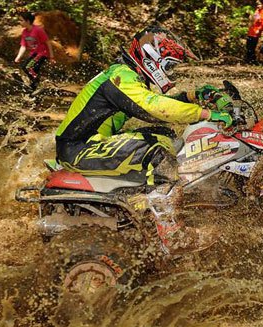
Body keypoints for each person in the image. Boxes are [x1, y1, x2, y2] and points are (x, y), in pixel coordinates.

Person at [54, 25, 234, 253]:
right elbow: (153, 107)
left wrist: (195, 96)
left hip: (88, 144)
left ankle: (149, 205)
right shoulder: (121, 78)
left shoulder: (124, 76)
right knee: (156, 151)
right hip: (79, 149)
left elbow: (150, 102)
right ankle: (172, 234)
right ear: (152, 57)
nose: (171, 73)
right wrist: (207, 114)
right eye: (169, 66)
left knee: (166, 136)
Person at [14, 12, 54, 93]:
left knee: (27, 67)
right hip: (33, 54)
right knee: (31, 69)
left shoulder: (38, 30)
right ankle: (33, 91)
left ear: (28, 21)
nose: (19, 22)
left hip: (41, 54)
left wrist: (51, 57)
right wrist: (18, 57)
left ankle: (37, 81)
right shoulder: (24, 32)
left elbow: (48, 43)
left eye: (21, 20)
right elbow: (23, 46)